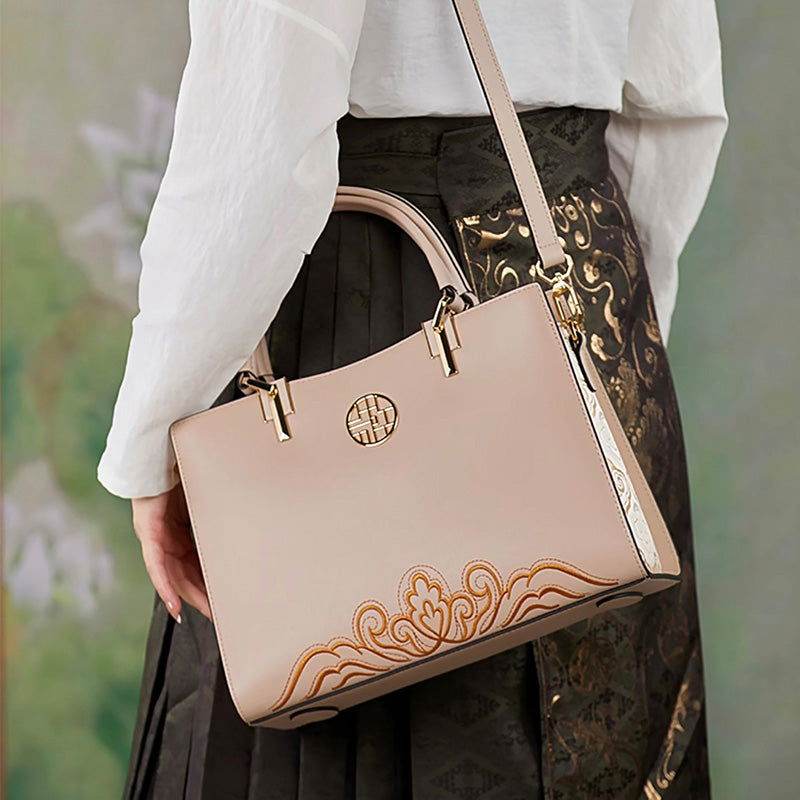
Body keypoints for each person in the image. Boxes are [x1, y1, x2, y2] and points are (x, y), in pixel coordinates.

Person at [98, 2, 727, 798]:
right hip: (589, 279)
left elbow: (258, 150)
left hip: (365, 311)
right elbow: (678, 104)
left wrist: (154, 438)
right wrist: (599, 363)